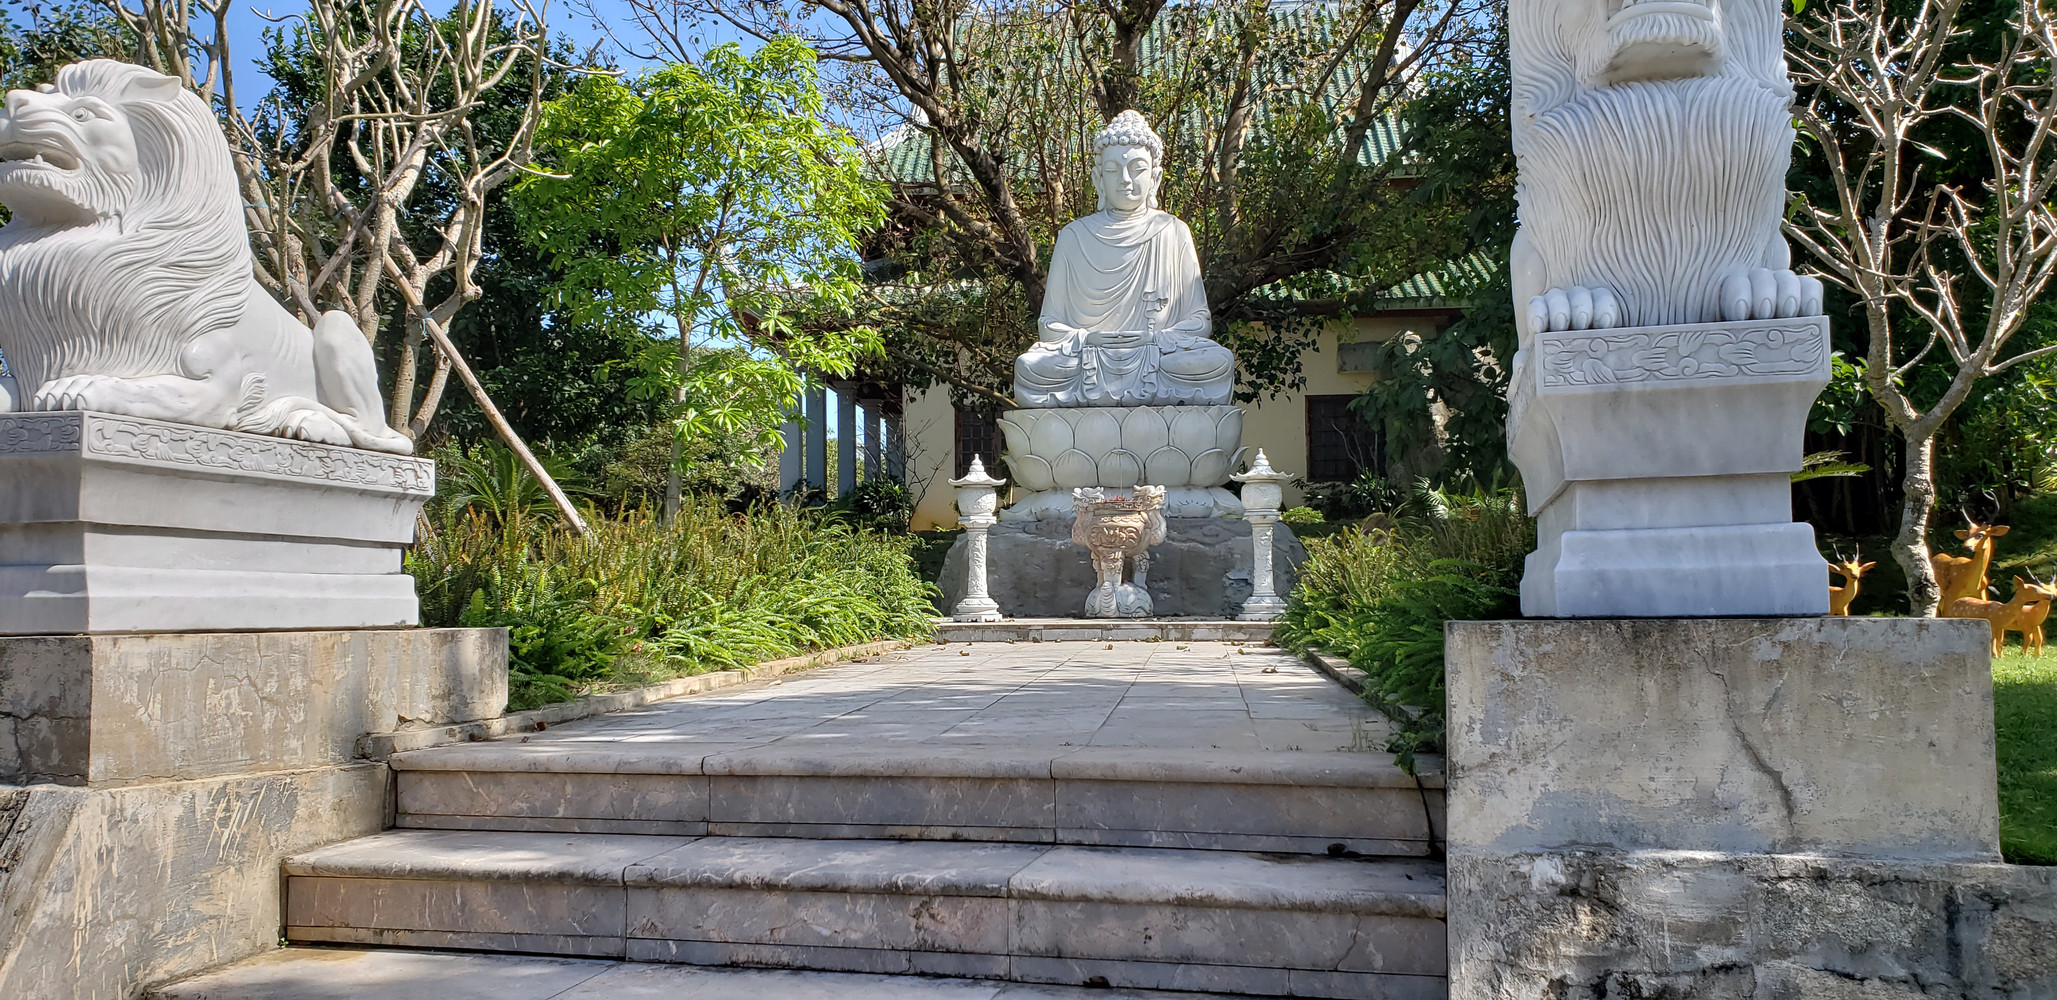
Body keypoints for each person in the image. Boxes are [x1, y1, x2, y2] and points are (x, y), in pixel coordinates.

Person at [1015, 111, 1235, 408]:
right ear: (1098, 179)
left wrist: (1155, 340)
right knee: (1030, 368)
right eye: (1113, 169)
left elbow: (1199, 321)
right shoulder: (1074, 236)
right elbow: (1050, 324)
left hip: (1158, 355)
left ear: (1155, 177)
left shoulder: (1173, 231)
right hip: (1089, 357)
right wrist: (1088, 340)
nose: (1125, 179)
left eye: (1137, 168)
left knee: (1217, 362)